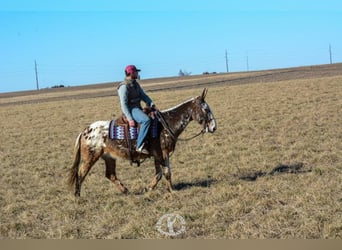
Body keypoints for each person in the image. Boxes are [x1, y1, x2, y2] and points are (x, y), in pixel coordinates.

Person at [117, 65, 157, 154]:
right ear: (131, 73)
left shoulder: (135, 84)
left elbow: (143, 95)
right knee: (146, 120)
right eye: (136, 72)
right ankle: (139, 145)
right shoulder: (124, 86)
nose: (137, 73)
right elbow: (123, 104)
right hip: (131, 109)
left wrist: (151, 104)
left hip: (138, 108)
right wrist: (130, 118)